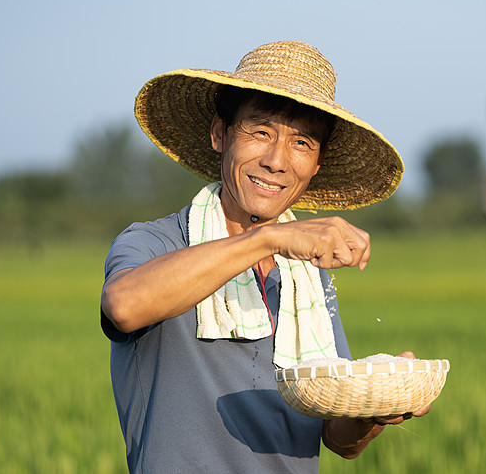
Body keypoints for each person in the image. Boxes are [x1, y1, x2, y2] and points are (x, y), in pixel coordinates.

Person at [100, 41, 430, 473]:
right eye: (260, 132)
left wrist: (375, 406)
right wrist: (269, 239)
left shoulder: (305, 279)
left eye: (301, 142)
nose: (277, 160)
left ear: (316, 164)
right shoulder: (156, 243)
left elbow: (337, 439)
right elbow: (124, 307)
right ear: (220, 135)